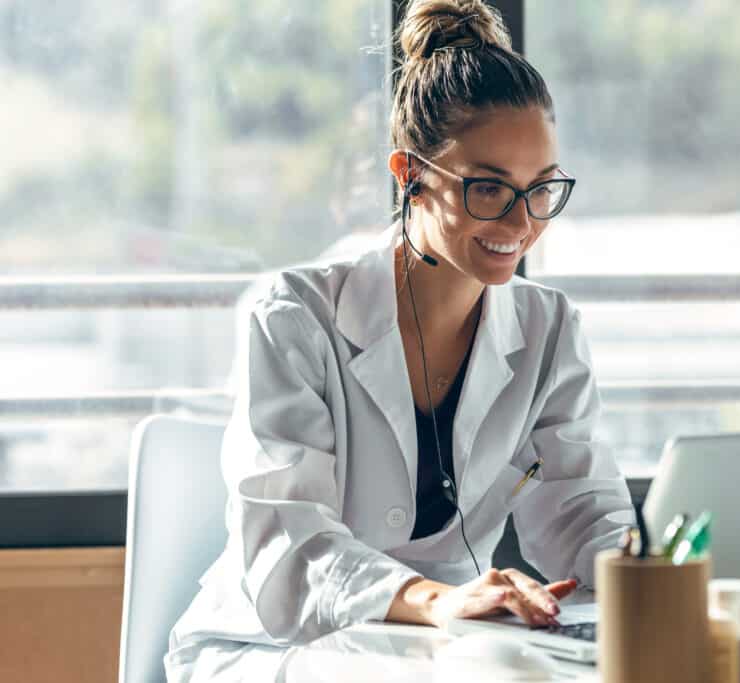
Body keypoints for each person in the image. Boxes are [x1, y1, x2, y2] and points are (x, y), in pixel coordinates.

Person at [165, 1, 634, 679]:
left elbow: (581, 509)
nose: (521, 221)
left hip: (443, 648)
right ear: (408, 174)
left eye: (540, 190)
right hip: (273, 647)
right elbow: (292, 549)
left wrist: (651, 577)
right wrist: (442, 601)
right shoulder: (294, 316)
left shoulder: (548, 330)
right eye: (487, 188)